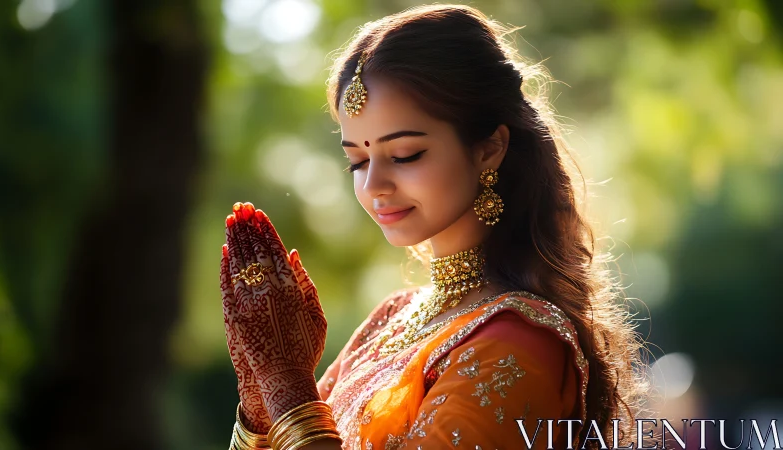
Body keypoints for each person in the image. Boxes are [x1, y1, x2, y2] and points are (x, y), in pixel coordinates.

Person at [219, 4, 649, 449]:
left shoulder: (516, 341)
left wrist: (287, 386)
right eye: (357, 161)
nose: (374, 185)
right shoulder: (389, 320)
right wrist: (259, 402)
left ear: (489, 148)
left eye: (405, 155)